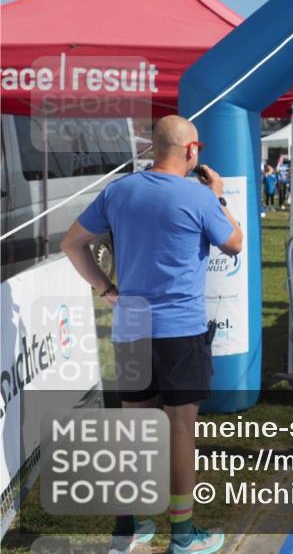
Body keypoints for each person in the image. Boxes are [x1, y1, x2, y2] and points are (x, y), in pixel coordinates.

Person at [60, 115, 242, 554]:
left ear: (151, 147)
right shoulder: (199, 196)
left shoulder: (118, 190)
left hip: (132, 326)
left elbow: (71, 243)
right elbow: (234, 243)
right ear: (192, 150)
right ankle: (182, 535)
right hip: (181, 330)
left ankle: (128, 528)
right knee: (181, 430)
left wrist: (106, 290)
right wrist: (218, 199)